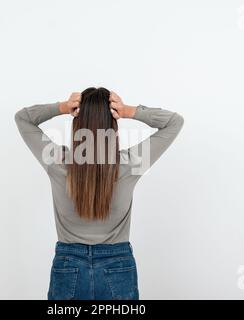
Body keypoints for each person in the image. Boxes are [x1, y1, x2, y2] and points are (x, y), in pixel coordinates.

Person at [14, 87, 184, 300]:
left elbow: (23, 118)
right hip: (118, 267)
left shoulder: (57, 161)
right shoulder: (130, 163)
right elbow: (174, 122)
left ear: (77, 125)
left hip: (68, 267)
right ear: (113, 126)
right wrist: (129, 111)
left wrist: (63, 107)